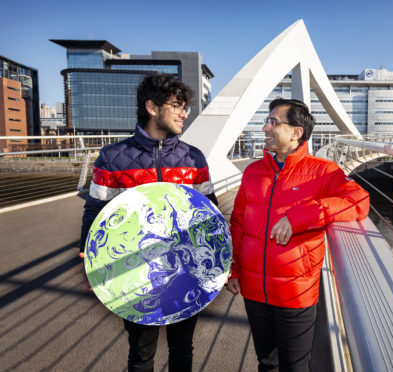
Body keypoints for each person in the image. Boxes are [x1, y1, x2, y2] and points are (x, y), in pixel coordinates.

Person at [79, 73, 217, 372]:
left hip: (185, 268)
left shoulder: (193, 158)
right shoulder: (113, 157)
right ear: (152, 108)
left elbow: (211, 213)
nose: (184, 113)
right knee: (141, 354)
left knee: (183, 348)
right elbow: (95, 212)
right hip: (135, 271)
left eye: (186, 107)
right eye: (177, 106)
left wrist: (216, 265)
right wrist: (91, 263)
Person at [226, 98, 369, 371]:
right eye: (266, 121)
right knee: (266, 364)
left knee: (295, 367)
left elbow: (359, 201)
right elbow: (237, 223)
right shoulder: (253, 172)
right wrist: (233, 269)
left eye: (272, 122)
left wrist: (301, 217)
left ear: (296, 132)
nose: (265, 127)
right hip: (254, 291)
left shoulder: (322, 171)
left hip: (296, 292)